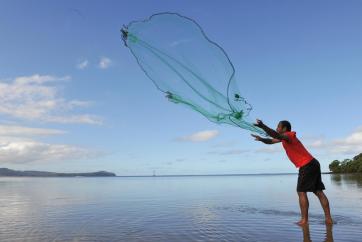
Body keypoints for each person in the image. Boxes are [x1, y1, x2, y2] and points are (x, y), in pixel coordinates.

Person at [251, 119, 333, 225]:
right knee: (318, 192)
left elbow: (276, 135)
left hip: (307, 165)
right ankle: (328, 219)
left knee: (301, 192)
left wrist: (262, 126)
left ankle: (304, 220)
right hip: (313, 163)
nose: (277, 128)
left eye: (278, 127)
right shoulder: (285, 139)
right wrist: (261, 139)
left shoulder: (289, 135)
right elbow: (271, 141)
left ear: (284, 128)